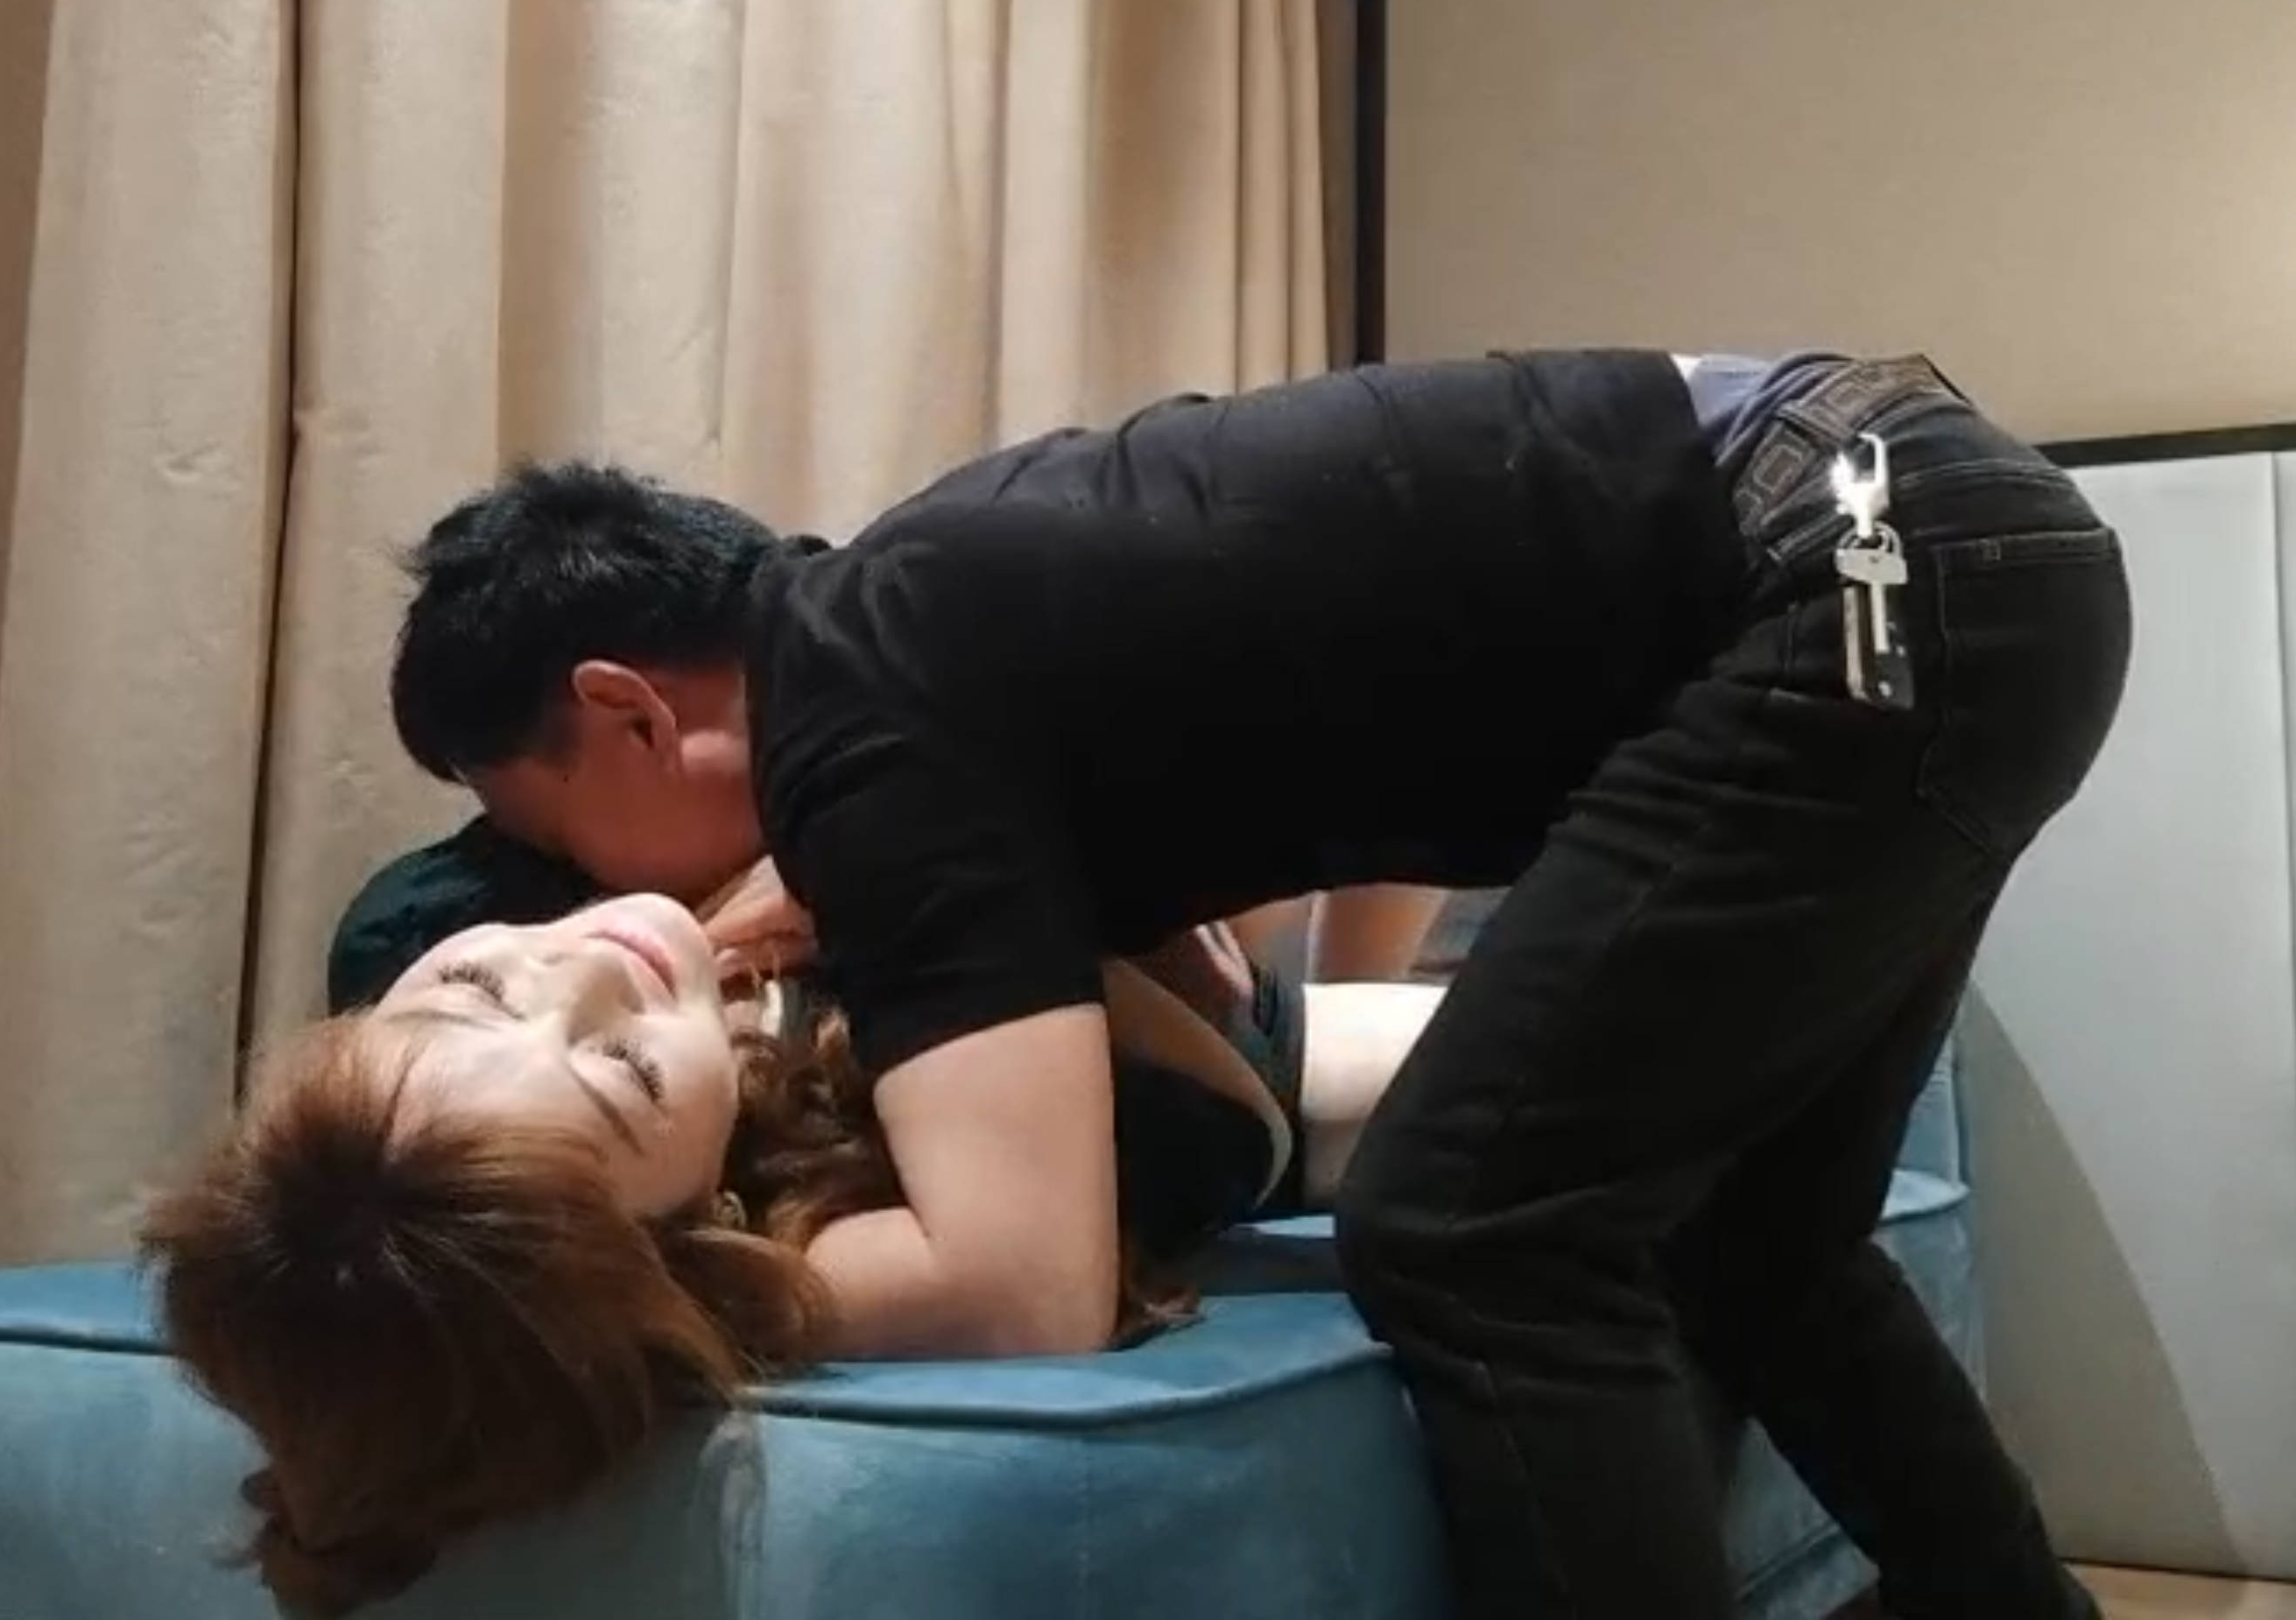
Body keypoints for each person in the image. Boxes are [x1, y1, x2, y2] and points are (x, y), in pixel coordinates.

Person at [315, 347, 2130, 1617]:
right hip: (1940, 537)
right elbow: (1227, 1006)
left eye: (549, 826)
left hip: (1861, 570)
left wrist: (628, 1279)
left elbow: (1022, 1284)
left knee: (1473, 1232)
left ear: (627, 711)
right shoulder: (924, 621)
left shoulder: (864, 715)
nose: (589, 895)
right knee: (1754, 1238)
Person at [146, 885, 1441, 1616]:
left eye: (473, 990)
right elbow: (1074, 1255)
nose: (586, 969)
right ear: (682, 1234)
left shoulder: (442, 994)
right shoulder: (783, 1244)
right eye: (627, 1068)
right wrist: (884, 853)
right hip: (1267, 1075)